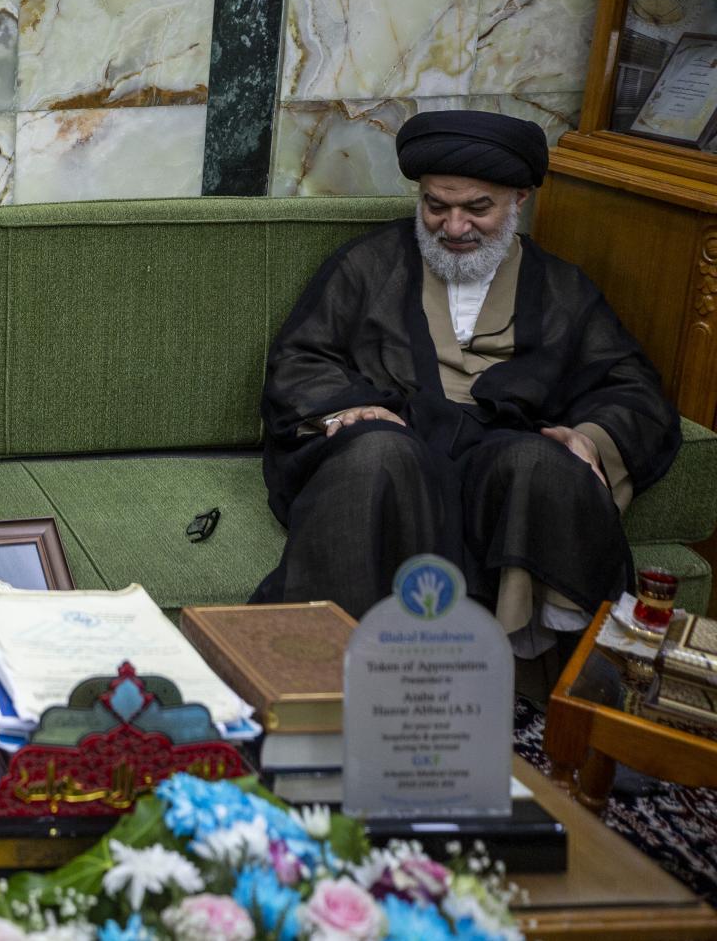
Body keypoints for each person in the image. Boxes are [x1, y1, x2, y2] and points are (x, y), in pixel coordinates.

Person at [253, 110, 681, 652]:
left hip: (501, 456)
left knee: (543, 462)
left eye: (477, 208)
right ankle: (317, 666)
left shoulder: (562, 289)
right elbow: (299, 358)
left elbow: (632, 388)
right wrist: (348, 408)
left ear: (519, 199)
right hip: (397, 441)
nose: (454, 228)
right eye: (436, 206)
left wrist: (591, 438)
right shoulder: (368, 265)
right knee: (377, 452)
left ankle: (543, 678)